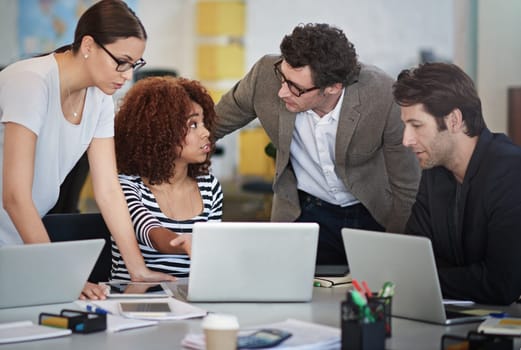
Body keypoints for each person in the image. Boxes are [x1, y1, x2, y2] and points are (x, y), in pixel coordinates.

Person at [0, 0, 175, 299]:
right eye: (121, 61)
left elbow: (107, 190)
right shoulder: (31, 81)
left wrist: (138, 268)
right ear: (89, 45)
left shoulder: (100, 100)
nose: (127, 74)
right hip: (18, 232)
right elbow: (15, 196)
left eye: (134, 64)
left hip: (20, 242)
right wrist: (60, 274)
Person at [214, 23, 420, 265]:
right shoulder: (264, 76)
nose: (282, 92)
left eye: (296, 88)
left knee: (370, 293)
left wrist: (397, 251)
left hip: (371, 214)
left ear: (333, 87)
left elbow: (406, 188)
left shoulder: (384, 96)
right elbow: (214, 123)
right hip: (304, 211)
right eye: (283, 76)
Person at [393, 62, 521, 305]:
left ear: (454, 120)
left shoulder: (511, 172)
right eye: (405, 126)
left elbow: (501, 283)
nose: (406, 140)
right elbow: (416, 257)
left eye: (417, 126)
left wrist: (421, 280)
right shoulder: (434, 170)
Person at [113, 76, 223, 280]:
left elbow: (209, 259)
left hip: (191, 300)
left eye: (204, 123)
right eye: (193, 125)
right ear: (160, 132)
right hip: (137, 299)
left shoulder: (210, 187)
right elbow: (151, 233)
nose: (206, 132)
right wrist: (188, 242)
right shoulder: (127, 186)